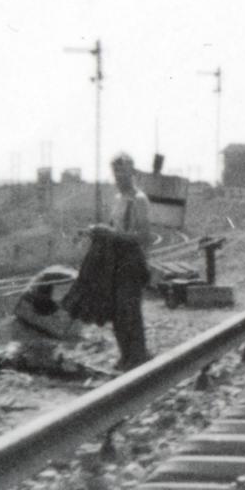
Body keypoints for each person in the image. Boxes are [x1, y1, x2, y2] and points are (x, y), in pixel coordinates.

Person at [97, 153, 153, 369]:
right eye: (115, 172)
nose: (119, 177)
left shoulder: (139, 199)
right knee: (117, 310)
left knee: (129, 309)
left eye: (122, 172)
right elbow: (115, 228)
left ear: (132, 172)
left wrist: (111, 235)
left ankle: (137, 357)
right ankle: (125, 355)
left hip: (132, 260)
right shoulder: (118, 199)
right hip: (116, 259)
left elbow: (144, 236)